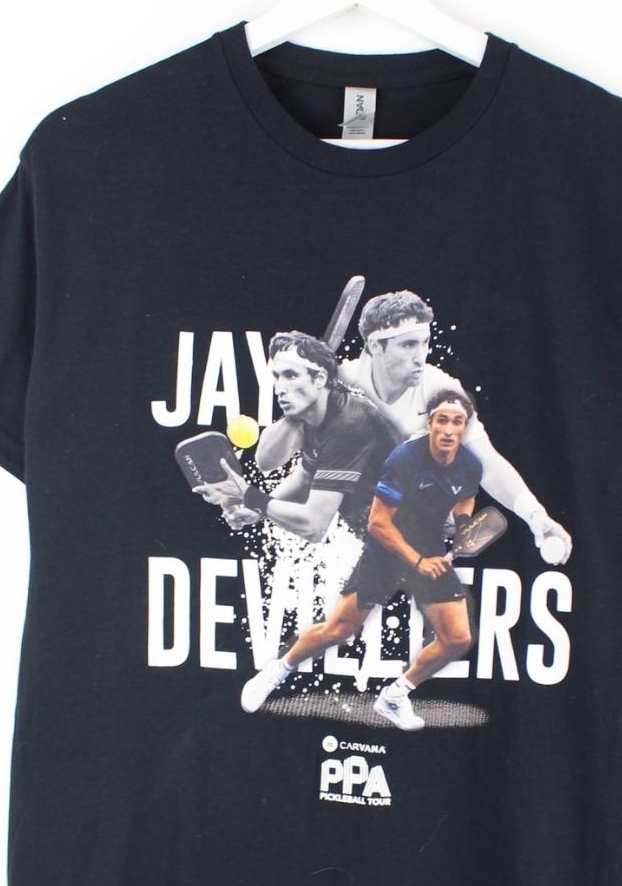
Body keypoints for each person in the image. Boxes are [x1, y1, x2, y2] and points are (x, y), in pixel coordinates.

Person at [255, 289, 573, 564]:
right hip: (343, 510)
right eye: (408, 345)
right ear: (375, 347)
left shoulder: (441, 392)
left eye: (425, 343)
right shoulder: (339, 384)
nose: (421, 357)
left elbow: (486, 462)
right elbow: (267, 462)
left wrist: (536, 515)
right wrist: (303, 409)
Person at [241, 387, 486, 731]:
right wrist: (418, 563)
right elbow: (378, 523)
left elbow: (465, 499)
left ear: (465, 427)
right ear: (430, 423)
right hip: (386, 548)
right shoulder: (404, 459)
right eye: (441, 420)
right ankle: (276, 671)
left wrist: (462, 524)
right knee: (339, 629)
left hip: (429, 548)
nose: (448, 429)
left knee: (457, 638)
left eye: (456, 422)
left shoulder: (470, 465)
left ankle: (394, 696)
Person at [192, 330, 400, 543]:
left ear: (320, 378)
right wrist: (257, 509)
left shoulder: (349, 423)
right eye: (277, 377)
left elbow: (313, 527)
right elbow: (301, 478)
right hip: (387, 541)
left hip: (413, 541)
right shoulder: (314, 416)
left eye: (291, 375)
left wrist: (249, 495)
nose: (279, 388)